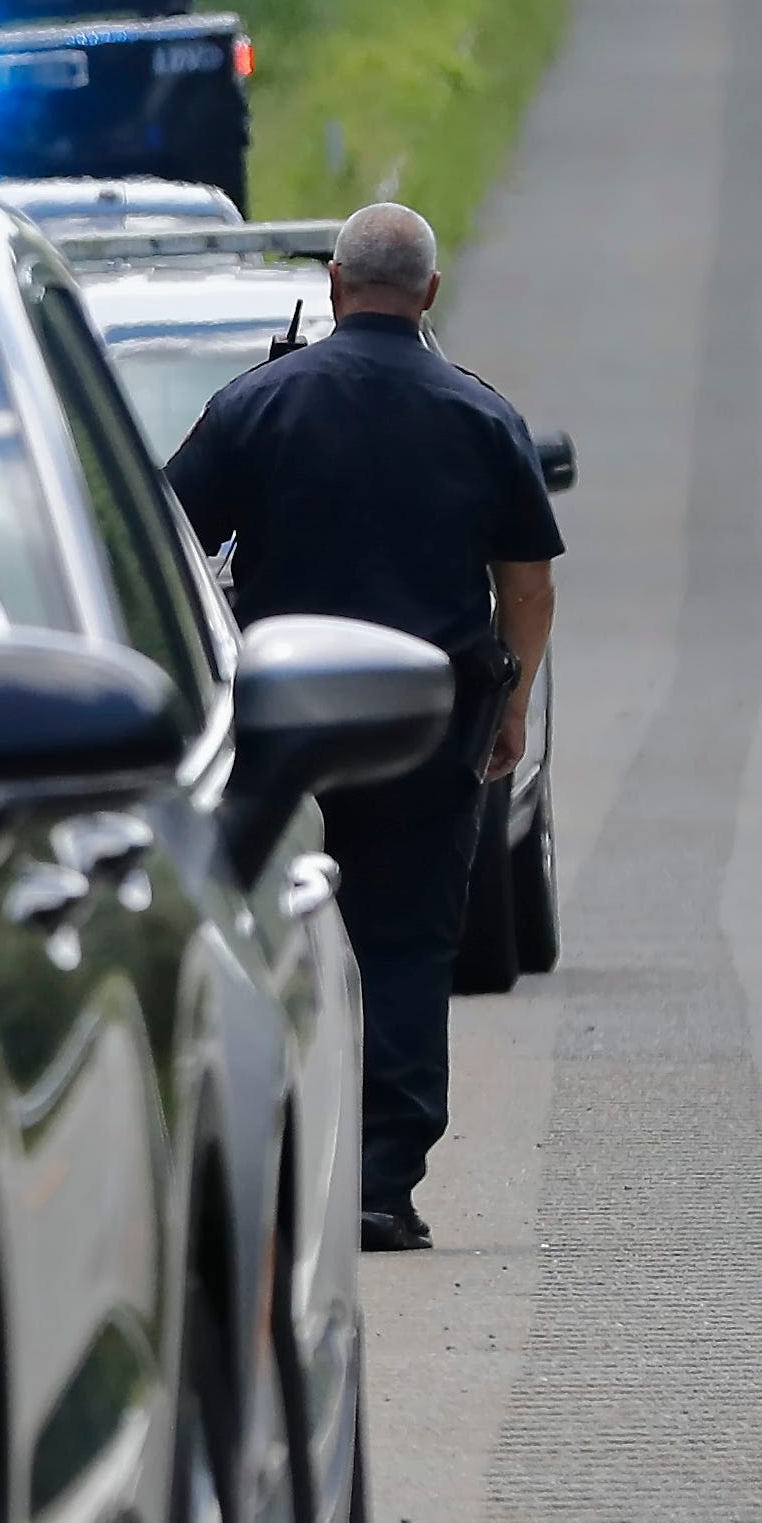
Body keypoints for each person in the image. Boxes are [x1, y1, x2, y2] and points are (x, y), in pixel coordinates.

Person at [163, 199, 559, 1251]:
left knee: (265, 932)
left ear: (334, 282)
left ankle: (264, 1170)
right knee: (405, 944)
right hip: (429, 726)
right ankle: (380, 1182)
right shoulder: (480, 416)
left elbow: (170, 546)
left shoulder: (254, 405)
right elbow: (526, 581)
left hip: (285, 727)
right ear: (428, 294)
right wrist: (510, 700)